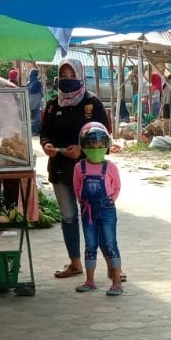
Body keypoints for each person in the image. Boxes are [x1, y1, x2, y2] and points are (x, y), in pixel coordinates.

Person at [41, 58, 110, 280]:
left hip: (89, 172)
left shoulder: (92, 104)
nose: (67, 80)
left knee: (95, 217)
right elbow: (44, 133)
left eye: (72, 75)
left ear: (80, 76)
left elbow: (105, 138)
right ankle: (75, 263)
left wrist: (81, 151)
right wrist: (47, 146)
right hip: (60, 170)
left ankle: (113, 265)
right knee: (68, 217)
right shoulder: (52, 105)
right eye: (64, 75)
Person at [72, 123, 123, 295]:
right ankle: (90, 280)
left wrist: (110, 201)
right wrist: (83, 203)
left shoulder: (110, 167)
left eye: (100, 145)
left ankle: (117, 282)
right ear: (84, 146)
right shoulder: (79, 167)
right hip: (88, 212)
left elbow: (116, 187)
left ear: (106, 146)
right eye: (92, 145)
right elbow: (76, 187)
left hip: (107, 210)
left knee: (110, 244)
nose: (96, 148)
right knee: (90, 245)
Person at [28, 67, 45, 134]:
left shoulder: (29, 83)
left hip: (30, 101)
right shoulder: (37, 83)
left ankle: (32, 130)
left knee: (31, 117)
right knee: (37, 118)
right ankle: (34, 130)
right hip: (36, 101)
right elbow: (40, 93)